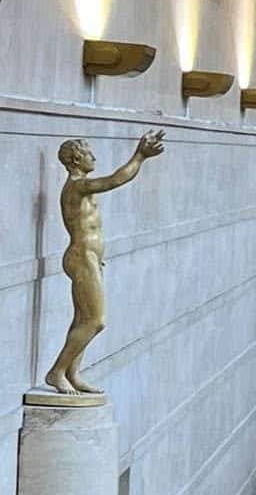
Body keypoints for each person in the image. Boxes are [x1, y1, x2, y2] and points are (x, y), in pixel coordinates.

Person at [45, 130, 166, 395]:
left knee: (83, 318)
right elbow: (115, 180)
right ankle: (57, 371)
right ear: (76, 160)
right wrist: (140, 156)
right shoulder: (77, 185)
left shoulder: (80, 186)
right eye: (89, 154)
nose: (94, 157)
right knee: (96, 321)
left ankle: (72, 372)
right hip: (81, 256)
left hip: (90, 257)